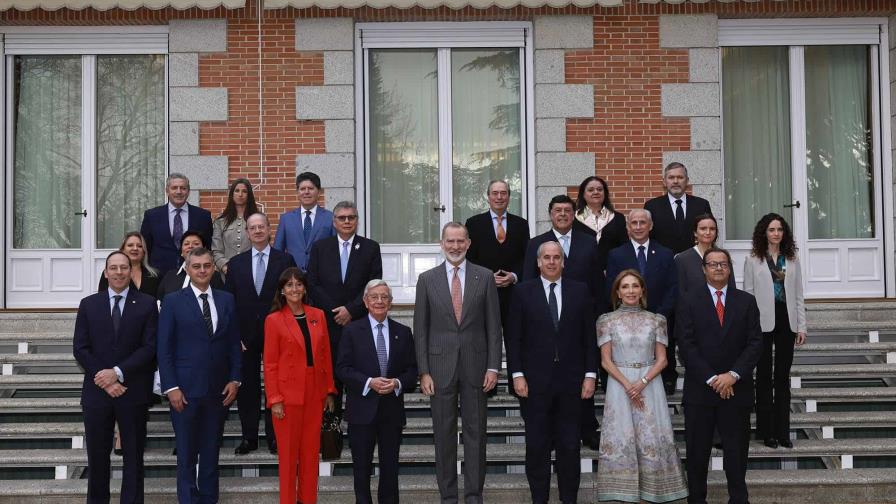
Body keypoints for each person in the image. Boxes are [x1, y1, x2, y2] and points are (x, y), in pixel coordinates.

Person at [414, 222, 502, 504]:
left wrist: (493, 366)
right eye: (450, 241)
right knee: (444, 436)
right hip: (439, 370)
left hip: (477, 368)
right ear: (442, 244)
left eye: (460, 241)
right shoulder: (427, 279)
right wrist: (424, 370)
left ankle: (474, 495)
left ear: (468, 243)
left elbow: (493, 326)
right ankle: (449, 496)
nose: (455, 246)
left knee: (477, 436)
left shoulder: (485, 277)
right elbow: (422, 329)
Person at [505, 241, 597, 504]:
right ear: (538, 262)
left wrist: (590, 375)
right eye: (547, 257)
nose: (552, 261)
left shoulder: (580, 291)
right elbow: (514, 338)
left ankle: (569, 499)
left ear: (563, 262)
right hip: (534, 384)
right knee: (537, 447)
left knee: (569, 447)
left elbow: (589, 337)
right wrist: (517, 375)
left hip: (572, 383)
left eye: (557, 257)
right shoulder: (522, 292)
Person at [676, 247, 762, 504]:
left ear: (729, 268)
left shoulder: (746, 301)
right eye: (712, 264)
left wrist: (733, 375)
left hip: (737, 390)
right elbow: (686, 345)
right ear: (703, 269)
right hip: (701, 391)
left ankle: (738, 499)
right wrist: (714, 379)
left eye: (723, 264)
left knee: (736, 455)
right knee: (697, 454)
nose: (718, 268)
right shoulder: (689, 300)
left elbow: (755, 343)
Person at [157, 247, 242, 504]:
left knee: (210, 452)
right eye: (197, 266)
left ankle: (208, 498)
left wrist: (235, 379)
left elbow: (233, 343)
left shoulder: (226, 300)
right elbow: (164, 348)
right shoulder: (172, 301)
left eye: (207, 265)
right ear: (188, 268)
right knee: (185, 454)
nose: (202, 270)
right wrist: (171, 387)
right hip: (184, 391)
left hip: (218, 391)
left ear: (213, 268)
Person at [595, 269, 687, 503]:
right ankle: (622, 490)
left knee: (651, 437)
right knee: (622, 435)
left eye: (635, 286)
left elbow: (663, 359)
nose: (630, 291)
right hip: (619, 385)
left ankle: (654, 490)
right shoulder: (606, 320)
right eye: (625, 286)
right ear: (617, 291)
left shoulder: (656, 320)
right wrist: (628, 385)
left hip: (650, 383)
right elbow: (605, 361)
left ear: (642, 290)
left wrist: (642, 382)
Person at [73, 251, 158, 504]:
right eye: (114, 268)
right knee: (97, 459)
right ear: (106, 272)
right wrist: (105, 378)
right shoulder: (89, 304)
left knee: (133, 458)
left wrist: (118, 373)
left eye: (124, 268)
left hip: (132, 390)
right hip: (97, 393)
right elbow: (80, 347)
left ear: (131, 272)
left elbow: (150, 347)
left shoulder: (147, 303)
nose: (119, 272)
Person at [523, 194, 603, 449]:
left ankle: (588, 429)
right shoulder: (536, 243)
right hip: (546, 324)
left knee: (582, 378)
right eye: (557, 210)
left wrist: (597, 318)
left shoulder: (589, 243)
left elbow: (597, 286)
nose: (563, 214)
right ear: (550, 214)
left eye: (568, 210)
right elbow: (527, 282)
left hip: (580, 322)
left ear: (574, 214)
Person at [336, 280, 418, 504]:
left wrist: (398, 383)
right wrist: (369, 382)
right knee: (361, 469)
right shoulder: (352, 331)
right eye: (374, 297)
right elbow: (342, 368)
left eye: (384, 297)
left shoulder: (403, 332)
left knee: (390, 469)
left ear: (390, 302)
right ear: (365, 301)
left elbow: (412, 370)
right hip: (361, 411)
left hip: (391, 411)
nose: (379, 301)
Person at [224, 213, 296, 455]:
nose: (257, 231)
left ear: (269, 229)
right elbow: (228, 304)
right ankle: (249, 437)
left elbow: (292, 299)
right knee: (248, 389)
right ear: (247, 232)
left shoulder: (285, 260)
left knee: (277, 387)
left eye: (261, 226)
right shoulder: (236, 264)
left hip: (278, 335)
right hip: (245, 338)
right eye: (252, 228)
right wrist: (235, 337)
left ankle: (275, 437)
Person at [264, 267, 337, 504]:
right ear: (282, 291)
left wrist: (329, 391)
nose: (294, 289)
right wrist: (273, 398)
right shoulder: (273, 320)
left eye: (298, 284)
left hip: (315, 393)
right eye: (289, 285)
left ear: (305, 288)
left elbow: (325, 356)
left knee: (309, 457)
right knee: (287, 458)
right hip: (286, 396)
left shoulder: (318, 315)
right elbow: (271, 363)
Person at [306, 200, 383, 414]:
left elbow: (373, 284)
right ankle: (332, 433)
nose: (347, 221)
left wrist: (351, 309)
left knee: (360, 376)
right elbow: (312, 283)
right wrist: (336, 310)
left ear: (357, 221)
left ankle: (360, 428)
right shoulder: (321, 248)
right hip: (328, 325)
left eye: (351, 217)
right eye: (342, 217)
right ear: (334, 221)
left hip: (358, 323)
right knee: (331, 380)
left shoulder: (370, 247)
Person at [742, 213, 807, 449]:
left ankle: (782, 432)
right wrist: (747, 328)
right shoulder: (753, 259)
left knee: (782, 378)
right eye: (771, 229)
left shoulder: (792, 259)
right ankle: (766, 432)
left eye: (780, 229)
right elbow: (747, 296)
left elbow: (799, 294)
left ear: (784, 233)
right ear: (764, 233)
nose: (776, 233)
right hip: (761, 322)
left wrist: (802, 325)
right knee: (763, 377)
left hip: (786, 322)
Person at [605, 209, 678, 395]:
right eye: (634, 223)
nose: (638, 227)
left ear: (651, 226)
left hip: (658, 318)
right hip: (626, 324)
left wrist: (659, 315)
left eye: (642, 223)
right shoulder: (616, 255)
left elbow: (672, 287)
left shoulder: (665, 253)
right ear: (628, 227)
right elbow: (612, 288)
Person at [464, 179, 530, 325]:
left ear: (508, 197)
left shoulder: (521, 224)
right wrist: (486, 277)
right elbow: (469, 258)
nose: (499, 197)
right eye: (495, 193)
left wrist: (513, 276)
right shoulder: (473, 223)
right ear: (488, 197)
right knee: (487, 343)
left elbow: (527, 257)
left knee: (514, 342)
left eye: (503, 193)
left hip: (514, 294)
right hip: (483, 294)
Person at [140, 173, 213, 273]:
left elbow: (208, 248)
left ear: (188, 191)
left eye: (183, 188)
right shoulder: (152, 216)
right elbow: (145, 248)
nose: (179, 192)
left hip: (194, 274)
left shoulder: (203, 216)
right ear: (167, 191)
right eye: (174, 188)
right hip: (159, 275)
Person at [643, 162, 713, 255]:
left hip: (694, 261)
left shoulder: (701, 205)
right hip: (663, 263)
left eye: (680, 177)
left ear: (687, 181)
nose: (675, 181)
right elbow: (646, 237)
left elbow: (710, 234)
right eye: (671, 177)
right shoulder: (651, 206)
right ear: (664, 182)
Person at [273, 172, 336, 270]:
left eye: (310, 188)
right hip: (294, 278)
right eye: (302, 189)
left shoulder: (330, 218)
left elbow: (335, 250)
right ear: (297, 192)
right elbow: (277, 252)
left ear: (319, 192)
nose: (306, 192)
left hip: (322, 277)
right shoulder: (286, 219)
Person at [572, 176, 627, 271]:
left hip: (612, 272)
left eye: (599, 189)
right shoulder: (573, 219)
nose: (596, 192)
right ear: (583, 194)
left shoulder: (618, 218)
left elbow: (623, 248)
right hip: (582, 273)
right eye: (590, 190)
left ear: (605, 193)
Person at [155, 230, 224, 302]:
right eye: (186, 244)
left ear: (204, 250)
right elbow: (160, 302)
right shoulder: (170, 276)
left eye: (196, 243)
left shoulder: (213, 275)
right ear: (181, 252)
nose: (190, 246)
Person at [675, 213, 734, 295]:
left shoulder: (723, 256)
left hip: (720, 306)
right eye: (703, 229)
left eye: (712, 229)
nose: (708, 232)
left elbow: (731, 288)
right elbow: (680, 292)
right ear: (695, 233)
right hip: (692, 306)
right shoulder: (682, 259)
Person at [212, 178, 259, 274]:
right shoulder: (220, 221)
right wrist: (225, 267)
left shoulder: (257, 219)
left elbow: (262, 246)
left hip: (252, 271)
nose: (240, 194)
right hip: (227, 273)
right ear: (232, 194)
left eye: (244, 191)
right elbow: (216, 250)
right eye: (237, 191)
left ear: (249, 195)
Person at [97, 231, 160, 298]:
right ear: (122, 250)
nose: (135, 248)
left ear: (144, 251)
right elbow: (102, 299)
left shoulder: (155, 275)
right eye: (130, 245)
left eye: (139, 246)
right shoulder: (111, 273)